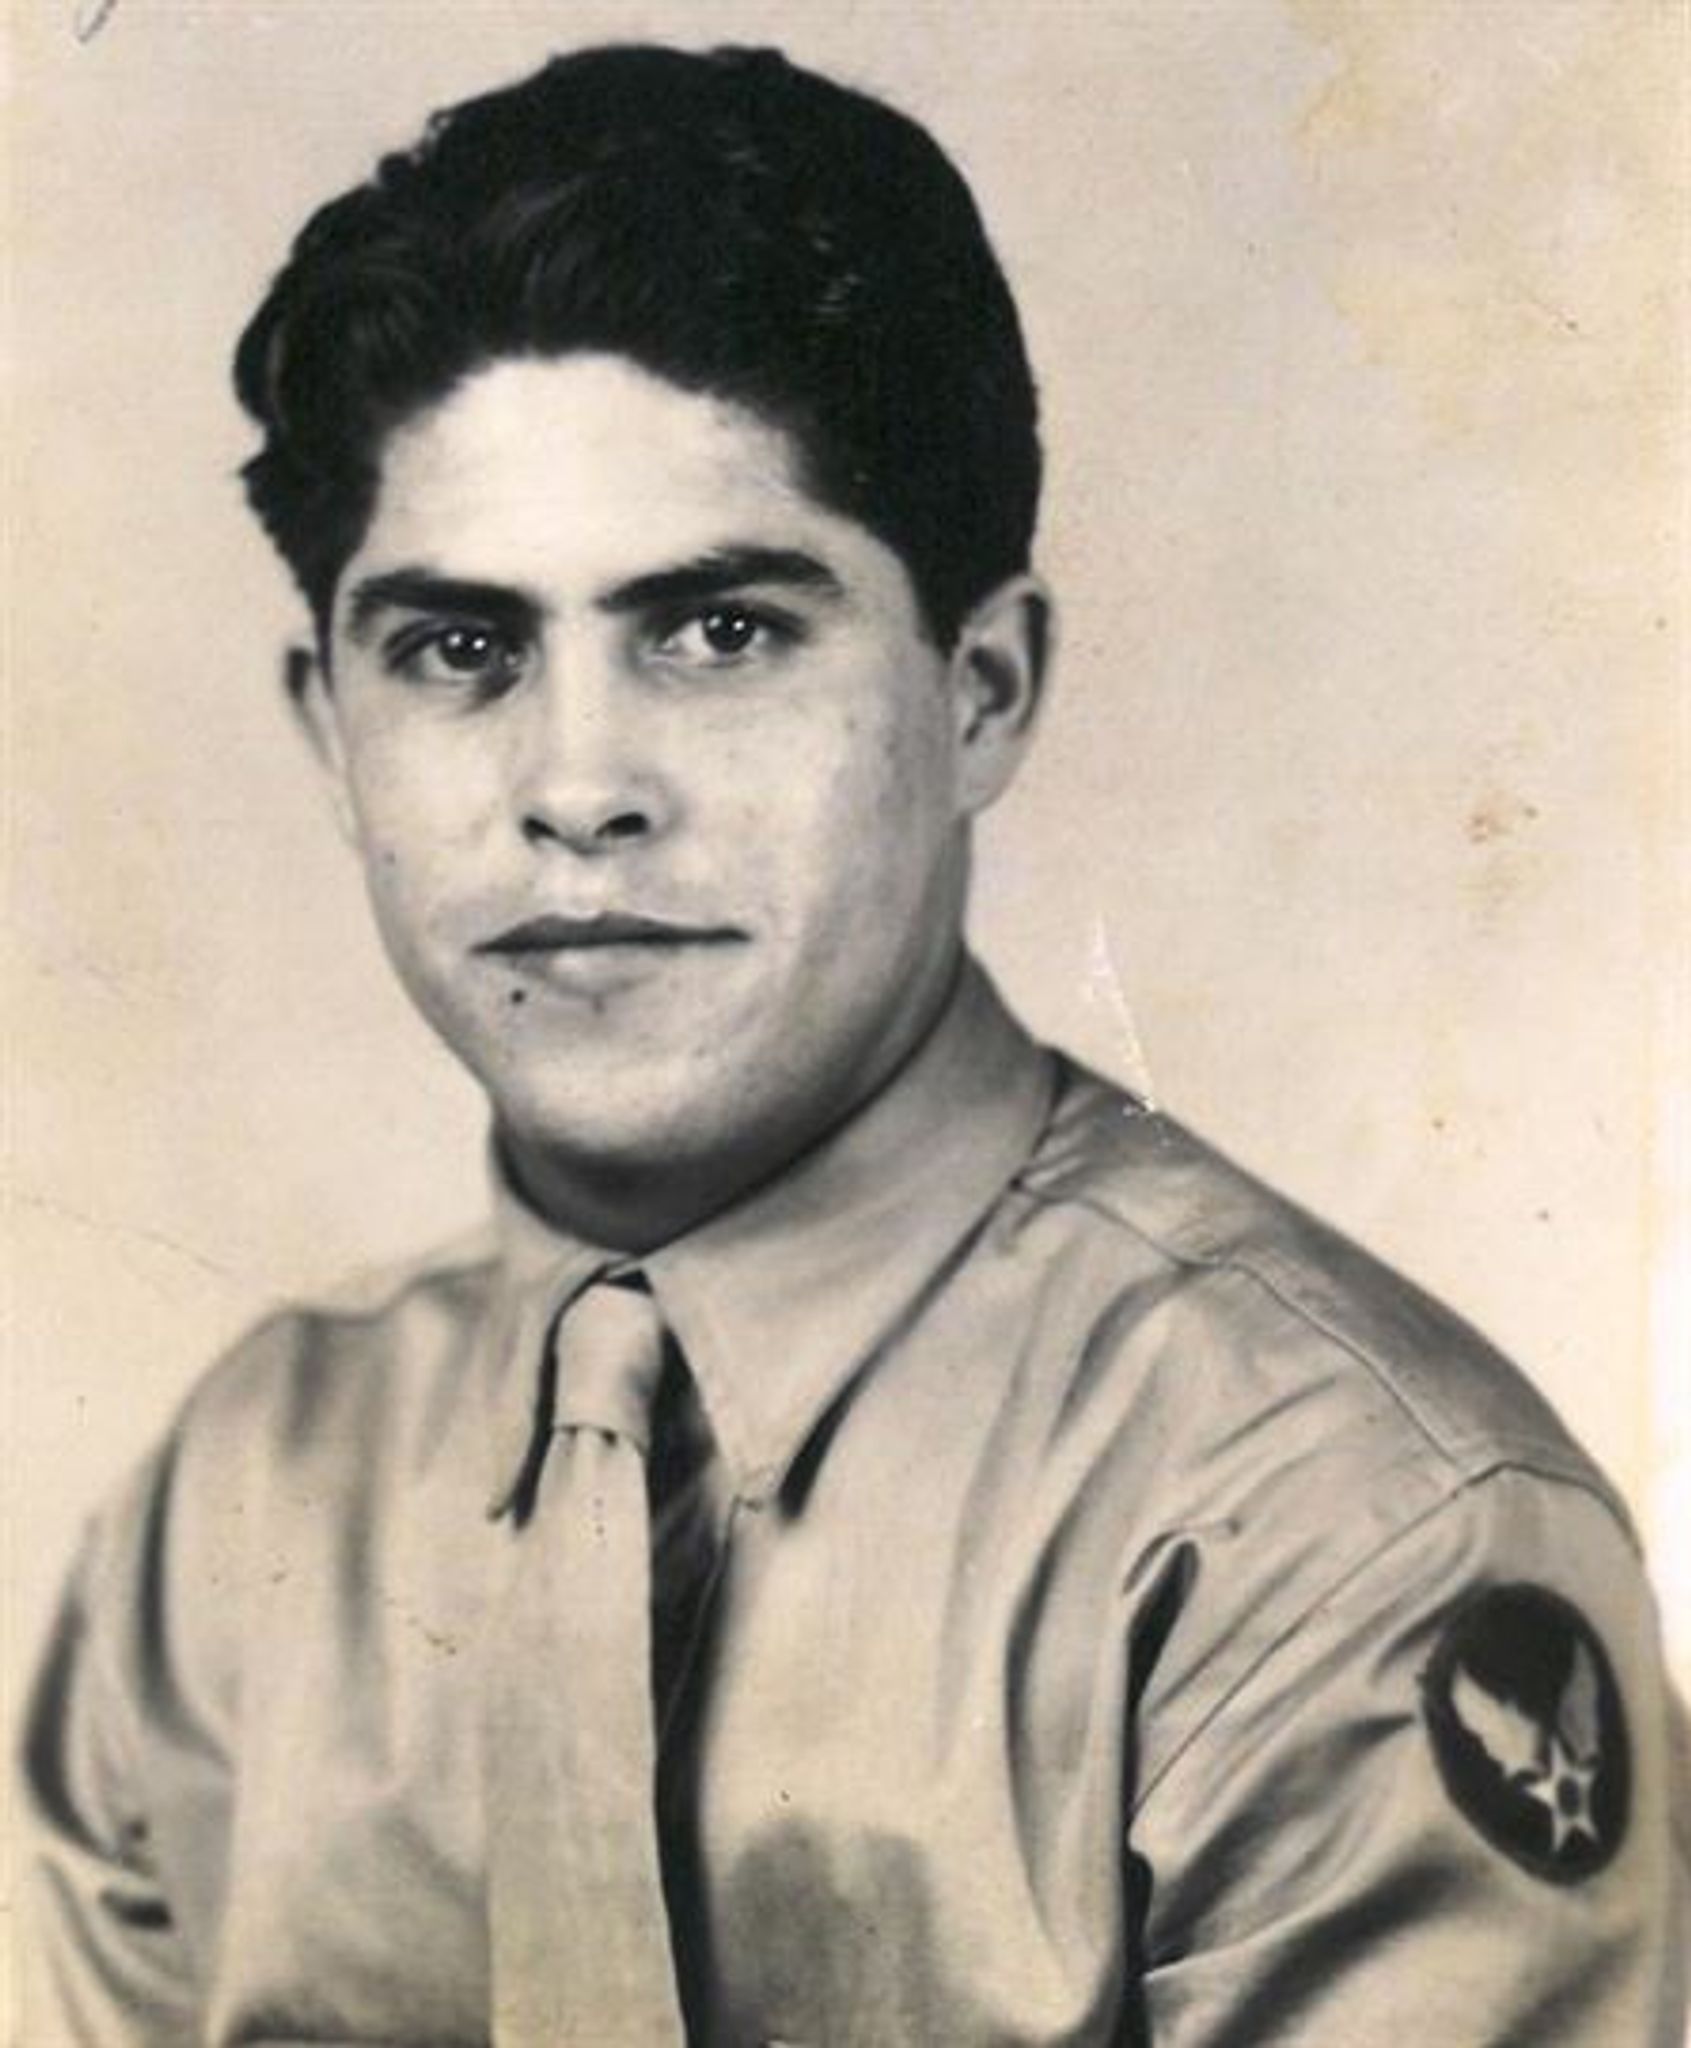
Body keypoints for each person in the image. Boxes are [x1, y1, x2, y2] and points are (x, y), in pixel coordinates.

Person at [18, 41, 1686, 2048]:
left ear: (983, 691)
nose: (577, 787)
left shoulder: (1339, 1533)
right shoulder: (232, 1521)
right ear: (327, 731)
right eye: (461, 649)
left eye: (720, 631)